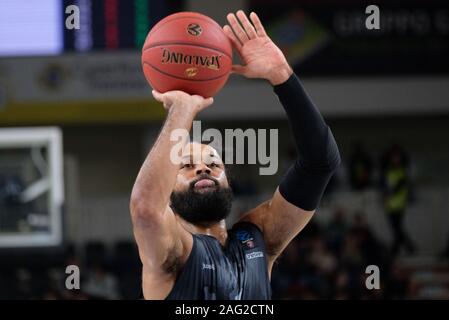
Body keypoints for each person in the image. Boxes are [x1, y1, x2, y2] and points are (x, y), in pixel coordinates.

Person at [130, 10, 341, 300]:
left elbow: (321, 163)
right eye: (187, 165)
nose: (203, 169)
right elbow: (145, 210)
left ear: (228, 179)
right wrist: (182, 111)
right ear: (167, 193)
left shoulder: (259, 237)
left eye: (213, 164)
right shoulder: (171, 250)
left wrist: (282, 76)